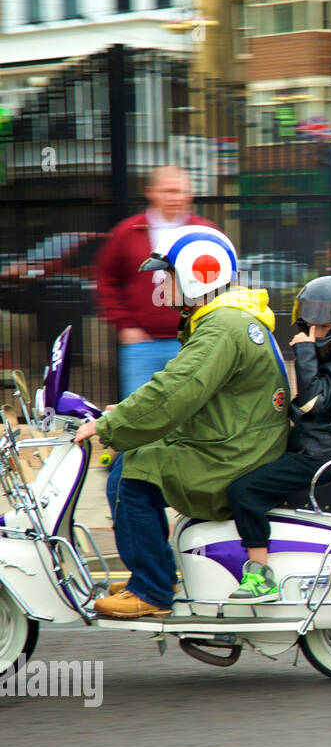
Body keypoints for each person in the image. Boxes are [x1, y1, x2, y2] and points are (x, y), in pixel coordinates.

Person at [73, 226, 290, 619]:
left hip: (235, 456)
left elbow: (173, 392)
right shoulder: (225, 320)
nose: (161, 282)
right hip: (235, 444)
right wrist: (119, 416)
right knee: (132, 460)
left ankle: (152, 590)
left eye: (168, 273)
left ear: (197, 274)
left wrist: (111, 427)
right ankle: (155, 574)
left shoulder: (223, 327)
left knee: (134, 471)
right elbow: (187, 396)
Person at [225, 276, 331, 602]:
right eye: (309, 324)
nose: (313, 333)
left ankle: (260, 576)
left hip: (317, 460)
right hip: (312, 451)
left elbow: (312, 398)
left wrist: (304, 350)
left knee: (243, 490)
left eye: (324, 326)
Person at [95, 165, 220, 507]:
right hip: (143, 345)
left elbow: (222, 278)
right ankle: (129, 497)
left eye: (179, 190)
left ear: (189, 194)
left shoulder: (204, 231)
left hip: (192, 341)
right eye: (167, 190)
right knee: (138, 420)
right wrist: (125, 325)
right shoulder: (128, 232)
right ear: (151, 192)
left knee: (194, 419)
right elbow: (106, 280)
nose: (173, 197)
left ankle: (181, 493)